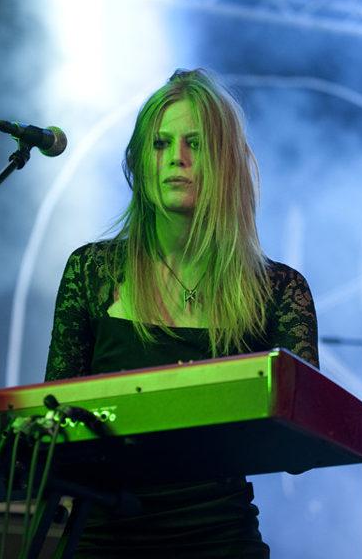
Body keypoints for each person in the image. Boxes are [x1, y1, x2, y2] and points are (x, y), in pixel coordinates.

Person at [44, 68, 319, 558]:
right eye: (160, 144)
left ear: (227, 162)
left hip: (220, 536)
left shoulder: (281, 291)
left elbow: (304, 444)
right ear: (140, 162)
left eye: (196, 143)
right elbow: (54, 429)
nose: (177, 158)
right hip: (104, 539)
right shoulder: (91, 271)